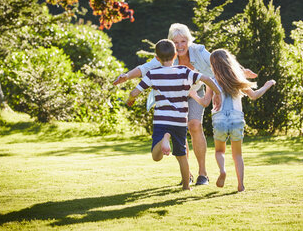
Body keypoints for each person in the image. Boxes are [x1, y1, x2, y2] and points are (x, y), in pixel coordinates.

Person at [114, 23, 257, 185]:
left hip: (196, 91)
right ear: (170, 43)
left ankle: (202, 173)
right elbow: (145, 68)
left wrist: (239, 73)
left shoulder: (199, 51)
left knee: (194, 125)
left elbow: (221, 61)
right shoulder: (167, 54)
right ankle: (186, 173)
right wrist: (126, 76)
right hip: (175, 95)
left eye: (183, 41)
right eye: (175, 42)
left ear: (189, 41)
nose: (180, 45)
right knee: (180, 130)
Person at [126, 39, 221, 190]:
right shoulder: (184, 71)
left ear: (157, 58)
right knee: (181, 155)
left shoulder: (153, 74)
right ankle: (186, 187)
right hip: (179, 121)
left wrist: (130, 99)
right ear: (175, 54)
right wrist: (217, 92)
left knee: (156, 157)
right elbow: (206, 79)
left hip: (161, 120)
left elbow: (134, 92)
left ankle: (164, 138)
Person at [189, 49, 276, 192]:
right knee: (238, 154)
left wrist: (194, 95)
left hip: (219, 119)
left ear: (212, 65)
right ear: (229, 62)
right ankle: (240, 185)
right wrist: (267, 85)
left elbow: (205, 102)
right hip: (236, 118)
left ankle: (222, 171)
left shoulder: (211, 81)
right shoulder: (237, 78)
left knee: (219, 151)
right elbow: (254, 95)